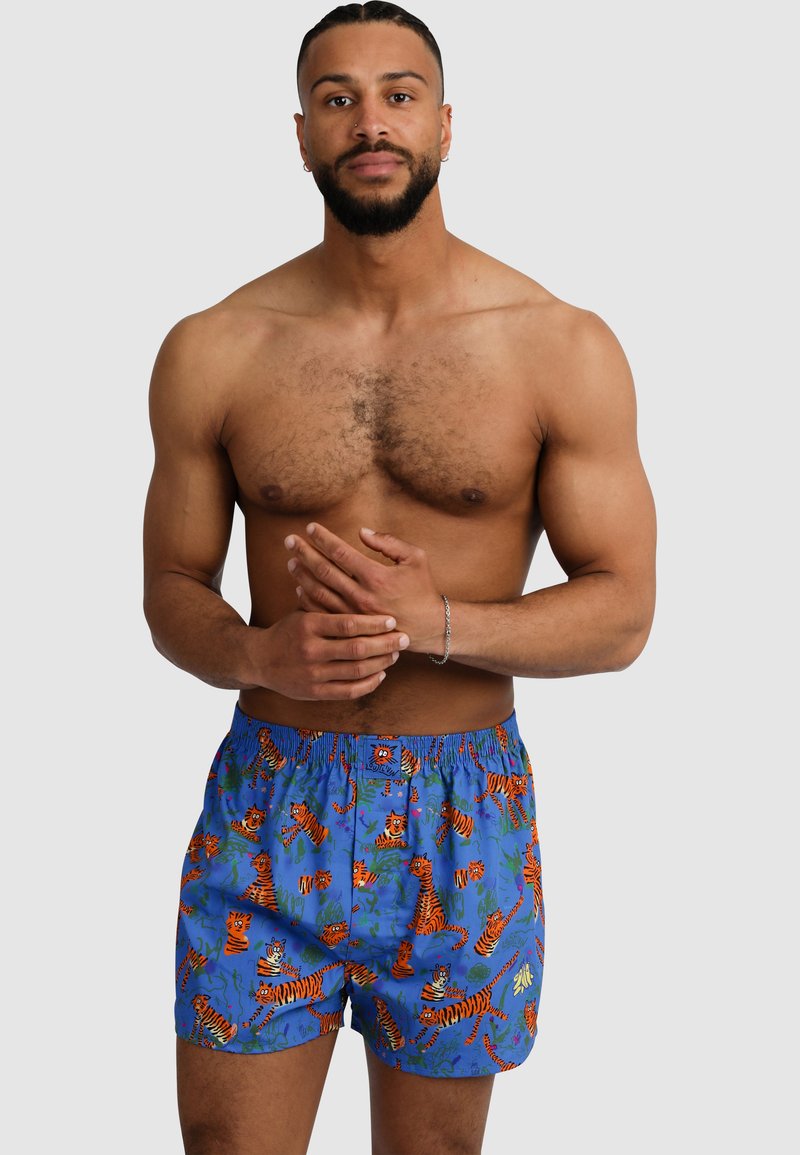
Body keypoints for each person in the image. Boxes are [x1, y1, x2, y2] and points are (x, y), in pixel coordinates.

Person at [143, 3, 656, 1152]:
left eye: (397, 94)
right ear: (302, 134)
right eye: (337, 99)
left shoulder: (555, 345)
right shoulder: (215, 349)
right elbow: (172, 584)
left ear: (443, 125)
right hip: (269, 800)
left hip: (461, 811)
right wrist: (254, 652)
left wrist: (439, 623)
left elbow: (621, 611)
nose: (368, 121)